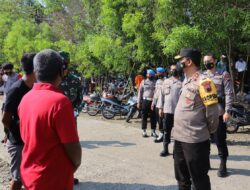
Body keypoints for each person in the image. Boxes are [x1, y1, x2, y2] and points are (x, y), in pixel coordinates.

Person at [18, 49, 82, 190]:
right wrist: (69, 169)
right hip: (52, 180)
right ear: (61, 71)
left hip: (30, 176)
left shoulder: (25, 99)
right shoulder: (60, 102)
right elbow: (74, 151)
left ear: (35, 71)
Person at [173, 48, 219, 190]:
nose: (178, 64)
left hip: (195, 140)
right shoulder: (186, 82)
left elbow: (212, 112)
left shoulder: (204, 82)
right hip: (180, 138)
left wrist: (206, 131)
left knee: (199, 180)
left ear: (189, 62)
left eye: (180, 61)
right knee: (181, 178)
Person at [2, 52, 36, 190]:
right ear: (36, 68)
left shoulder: (35, 87)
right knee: (18, 179)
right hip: (18, 143)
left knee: (30, 176)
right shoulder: (16, 90)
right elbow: (5, 119)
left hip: (31, 141)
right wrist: (19, 133)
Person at [203, 53, 233, 177]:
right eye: (205, 61)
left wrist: (228, 111)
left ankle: (223, 165)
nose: (206, 63)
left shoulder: (223, 74)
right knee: (204, 140)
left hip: (218, 112)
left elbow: (229, 93)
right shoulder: (202, 76)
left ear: (215, 61)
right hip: (204, 113)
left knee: (220, 140)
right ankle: (206, 162)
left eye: (209, 61)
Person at [59, 51, 83, 185]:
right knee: (57, 146)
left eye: (65, 63)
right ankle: (57, 174)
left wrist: (76, 111)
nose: (64, 66)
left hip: (71, 119)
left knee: (70, 147)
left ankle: (69, 174)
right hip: (55, 118)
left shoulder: (75, 80)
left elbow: (81, 99)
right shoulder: (53, 78)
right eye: (61, 63)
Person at [157, 65, 182, 156]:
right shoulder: (166, 81)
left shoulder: (182, 82)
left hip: (178, 112)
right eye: (171, 70)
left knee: (178, 131)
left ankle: (177, 150)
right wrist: (160, 108)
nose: (173, 71)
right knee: (166, 130)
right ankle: (165, 149)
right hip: (167, 110)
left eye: (174, 69)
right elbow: (161, 95)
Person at [137, 69, 157, 137]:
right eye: (148, 74)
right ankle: (144, 131)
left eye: (150, 74)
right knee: (144, 116)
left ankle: (153, 131)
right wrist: (138, 102)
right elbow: (140, 92)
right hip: (145, 101)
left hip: (153, 101)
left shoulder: (155, 82)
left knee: (153, 117)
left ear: (153, 75)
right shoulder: (143, 81)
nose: (149, 75)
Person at [152, 67, 166, 143]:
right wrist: (153, 102)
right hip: (157, 102)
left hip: (163, 102)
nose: (157, 74)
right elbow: (155, 92)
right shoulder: (157, 81)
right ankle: (162, 132)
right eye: (157, 72)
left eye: (159, 72)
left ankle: (162, 133)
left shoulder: (167, 81)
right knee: (158, 118)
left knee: (162, 119)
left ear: (163, 73)